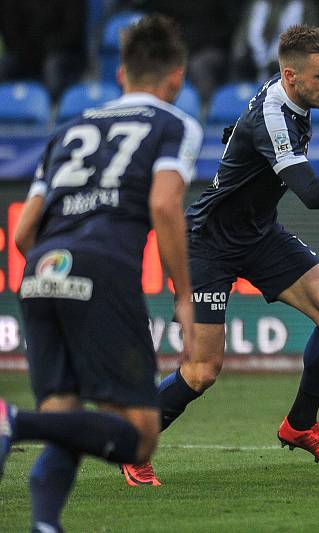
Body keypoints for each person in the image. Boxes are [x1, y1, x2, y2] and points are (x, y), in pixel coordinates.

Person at [121, 24, 319, 482]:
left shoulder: (291, 98)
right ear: (291, 76)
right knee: (201, 370)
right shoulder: (273, 113)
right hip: (209, 243)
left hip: (258, 233)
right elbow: (311, 192)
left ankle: (301, 425)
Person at [0, 14, 199, 528]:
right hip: (103, 269)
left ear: (121, 74)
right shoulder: (174, 125)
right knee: (140, 435)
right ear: (176, 76)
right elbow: (163, 205)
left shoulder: (71, 127)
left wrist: (58, 260)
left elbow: (23, 234)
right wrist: (183, 293)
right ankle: (12, 421)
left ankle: (44, 523)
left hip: (42, 269)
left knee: (64, 419)